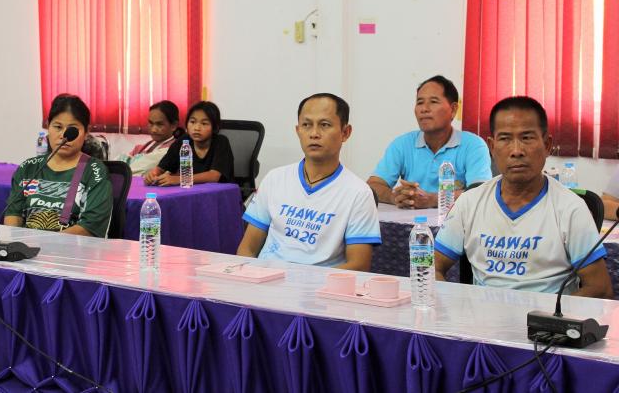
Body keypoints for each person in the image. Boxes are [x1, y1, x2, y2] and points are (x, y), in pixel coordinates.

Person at [434, 96, 612, 297]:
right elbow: (431, 267)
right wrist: (452, 306)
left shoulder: (571, 209)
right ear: (492, 147)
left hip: (545, 315)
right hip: (481, 315)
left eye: (527, 138)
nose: (516, 151)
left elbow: (600, 289)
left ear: (547, 145)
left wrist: (552, 315)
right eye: (505, 139)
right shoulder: (469, 202)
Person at [237, 93, 381, 269]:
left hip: (321, 284)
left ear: (345, 133)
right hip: (265, 279)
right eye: (306, 125)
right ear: (298, 131)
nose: (314, 134)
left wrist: (302, 283)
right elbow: (247, 249)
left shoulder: (359, 193)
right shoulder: (274, 179)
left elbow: (358, 265)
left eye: (325, 125)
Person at [368, 75, 492, 209]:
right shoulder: (402, 144)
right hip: (412, 221)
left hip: (457, 220)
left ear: (453, 109)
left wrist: (433, 200)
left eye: (433, 102)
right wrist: (395, 197)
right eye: (420, 102)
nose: (424, 109)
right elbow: (373, 185)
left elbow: (481, 192)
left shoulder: (473, 145)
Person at [4, 94, 113, 236]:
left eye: (72, 129)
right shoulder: (28, 168)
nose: (63, 135)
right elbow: (13, 215)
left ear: (86, 132)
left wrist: (46, 243)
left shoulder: (95, 171)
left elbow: (91, 228)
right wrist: (16, 241)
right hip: (27, 246)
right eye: (57, 127)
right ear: (48, 127)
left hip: (71, 248)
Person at [143, 101, 234, 186]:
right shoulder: (183, 141)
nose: (197, 128)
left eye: (204, 123)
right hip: (190, 191)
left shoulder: (221, 141)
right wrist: (153, 175)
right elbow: (161, 168)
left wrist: (179, 179)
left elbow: (214, 176)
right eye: (192, 122)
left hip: (219, 193)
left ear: (215, 127)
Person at [125, 100, 184, 175]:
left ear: (174, 125)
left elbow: (129, 170)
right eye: (151, 123)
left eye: (159, 124)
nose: (154, 130)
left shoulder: (172, 150)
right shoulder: (141, 147)